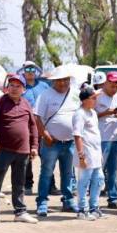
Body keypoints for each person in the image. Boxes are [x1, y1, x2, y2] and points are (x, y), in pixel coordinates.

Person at [0, 74, 39, 227]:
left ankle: (20, 212)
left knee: (19, 183)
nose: (14, 89)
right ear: (7, 87)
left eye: (18, 86)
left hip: (23, 151)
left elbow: (32, 126)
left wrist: (34, 146)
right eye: (12, 86)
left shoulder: (26, 104)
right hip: (3, 151)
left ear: (23, 89)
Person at [33, 67, 80, 217]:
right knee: (46, 172)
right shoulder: (45, 95)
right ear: (54, 81)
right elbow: (37, 117)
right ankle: (42, 202)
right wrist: (45, 135)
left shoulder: (75, 94)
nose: (63, 83)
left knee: (68, 173)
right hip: (50, 142)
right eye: (60, 80)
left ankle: (68, 200)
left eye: (66, 80)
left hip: (69, 141)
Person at [73, 85, 105, 220]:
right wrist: (81, 156)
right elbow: (77, 135)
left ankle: (94, 207)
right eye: (93, 98)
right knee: (84, 182)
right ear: (85, 100)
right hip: (86, 153)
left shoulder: (93, 113)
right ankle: (82, 209)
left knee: (98, 180)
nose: (95, 100)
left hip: (96, 153)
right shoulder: (79, 114)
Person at [19, 61, 50, 195]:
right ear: (23, 71)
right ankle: (27, 184)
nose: (30, 71)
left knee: (47, 155)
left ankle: (50, 184)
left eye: (33, 68)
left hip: (43, 124)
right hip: (26, 125)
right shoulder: (20, 85)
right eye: (27, 69)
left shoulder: (44, 85)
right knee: (27, 156)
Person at [95, 71, 117, 209]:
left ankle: (113, 198)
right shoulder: (97, 95)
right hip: (102, 137)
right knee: (98, 168)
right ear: (106, 83)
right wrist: (108, 112)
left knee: (113, 169)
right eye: (112, 84)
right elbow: (90, 115)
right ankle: (93, 198)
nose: (114, 87)